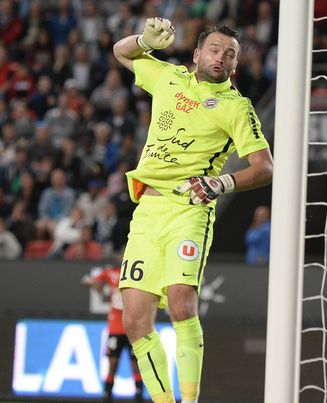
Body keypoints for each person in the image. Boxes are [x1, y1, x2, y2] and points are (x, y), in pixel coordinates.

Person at [113, 18, 273, 403]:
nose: (222, 58)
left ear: (235, 66)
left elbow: (264, 167)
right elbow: (122, 52)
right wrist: (144, 40)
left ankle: (190, 399)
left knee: (182, 300)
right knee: (133, 319)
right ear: (198, 54)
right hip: (148, 212)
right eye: (215, 50)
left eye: (230, 54)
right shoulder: (168, 78)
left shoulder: (237, 107)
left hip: (189, 209)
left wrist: (222, 183)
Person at [81, 263, 144, 403]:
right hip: (116, 326)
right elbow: (86, 280)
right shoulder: (111, 273)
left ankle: (139, 394)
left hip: (133, 326)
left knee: (136, 363)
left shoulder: (138, 270)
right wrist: (95, 284)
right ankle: (107, 393)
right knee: (113, 362)